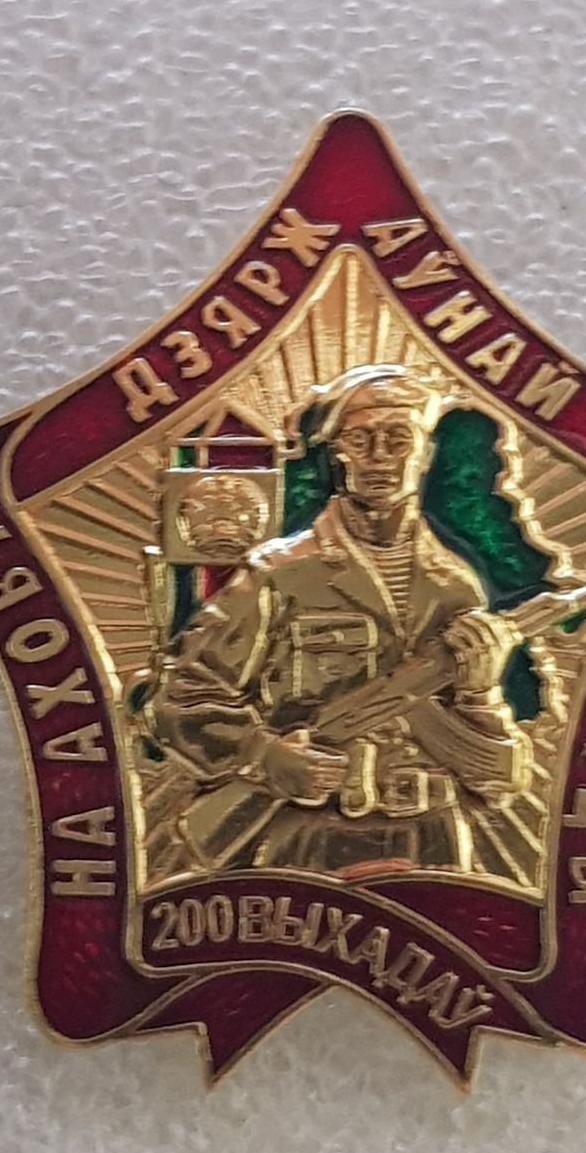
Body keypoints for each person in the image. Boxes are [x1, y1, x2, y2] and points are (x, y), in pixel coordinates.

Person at [141, 364, 530, 879]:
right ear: (336, 454)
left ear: (424, 454)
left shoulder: (454, 586)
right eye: (360, 439)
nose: (379, 457)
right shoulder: (281, 573)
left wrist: (481, 696)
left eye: (398, 439)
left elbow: (498, 778)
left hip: (433, 833)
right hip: (311, 832)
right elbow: (181, 700)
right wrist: (265, 755)